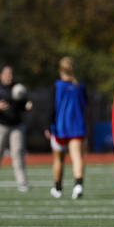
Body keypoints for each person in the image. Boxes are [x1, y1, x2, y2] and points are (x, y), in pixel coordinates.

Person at [0, 64, 31, 191]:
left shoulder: (18, 87)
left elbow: (24, 104)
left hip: (16, 126)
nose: (9, 76)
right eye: (6, 74)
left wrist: (27, 105)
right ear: (0, 75)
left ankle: (22, 182)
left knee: (18, 153)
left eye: (11, 73)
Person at [46, 56, 87, 199]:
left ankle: (57, 188)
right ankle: (78, 185)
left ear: (60, 70)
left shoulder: (57, 86)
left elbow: (51, 108)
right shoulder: (79, 86)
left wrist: (47, 126)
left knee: (58, 160)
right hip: (77, 127)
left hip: (60, 127)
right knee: (77, 157)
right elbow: (86, 106)